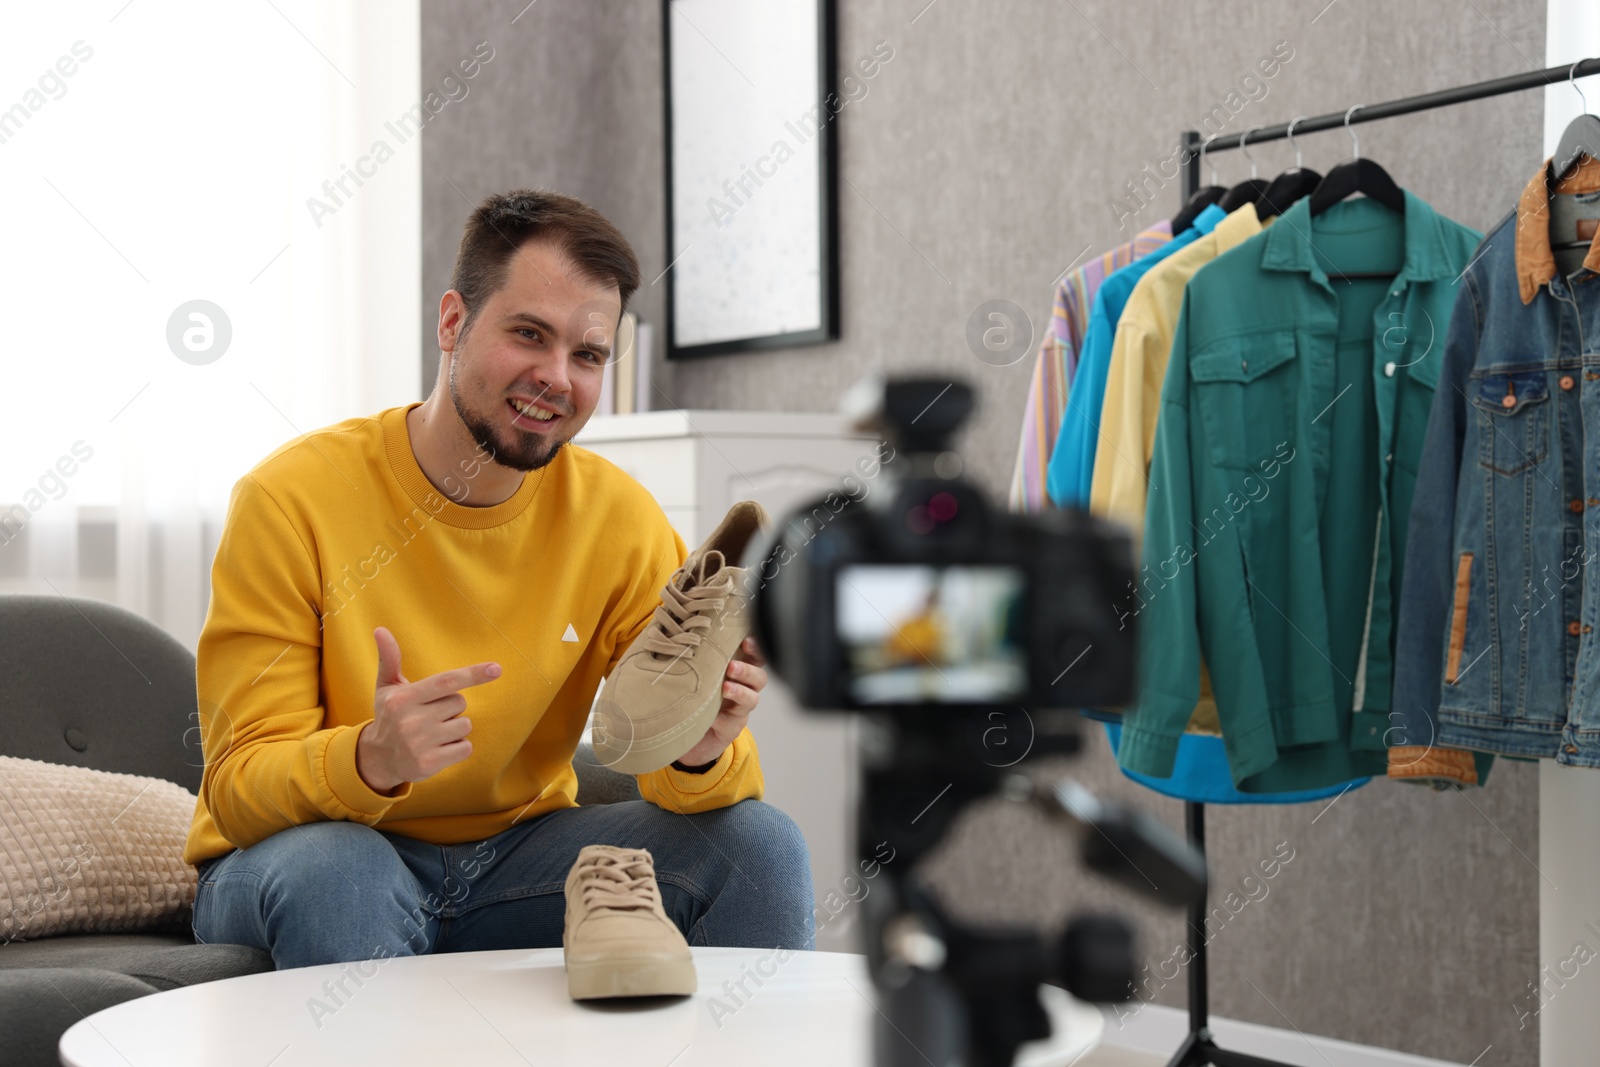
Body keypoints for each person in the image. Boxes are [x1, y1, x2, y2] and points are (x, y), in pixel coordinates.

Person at [183, 189, 815, 969]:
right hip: (308, 859)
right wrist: (370, 757)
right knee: (341, 872)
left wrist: (697, 750)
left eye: (587, 355)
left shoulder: (617, 518)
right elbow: (236, 786)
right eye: (528, 334)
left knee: (764, 847)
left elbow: (683, 771)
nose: (557, 377)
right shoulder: (290, 501)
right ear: (453, 322)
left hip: (516, 864)